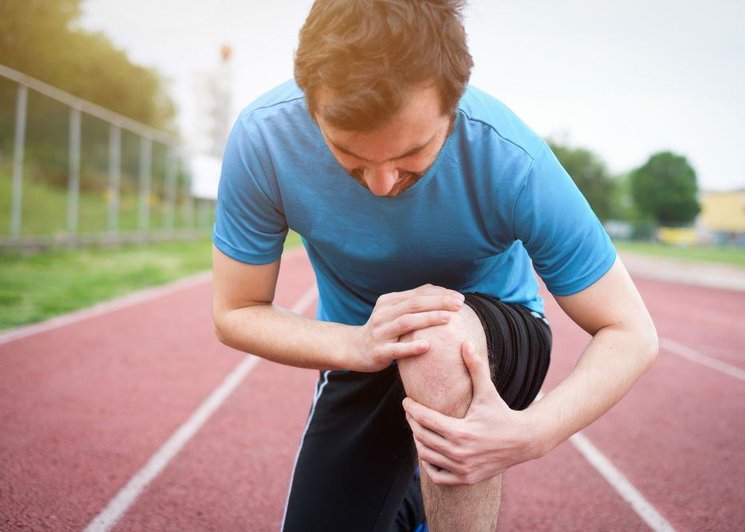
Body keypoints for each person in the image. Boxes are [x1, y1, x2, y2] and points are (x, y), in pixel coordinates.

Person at [211, 1, 659, 530]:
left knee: (437, 342)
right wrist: (356, 345)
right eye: (350, 156)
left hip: (495, 332)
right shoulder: (265, 139)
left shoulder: (511, 158)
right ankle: (410, 502)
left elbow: (631, 331)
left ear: (454, 103)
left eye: (412, 152)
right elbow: (236, 311)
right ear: (310, 106)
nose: (382, 185)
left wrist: (534, 432)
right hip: (359, 347)